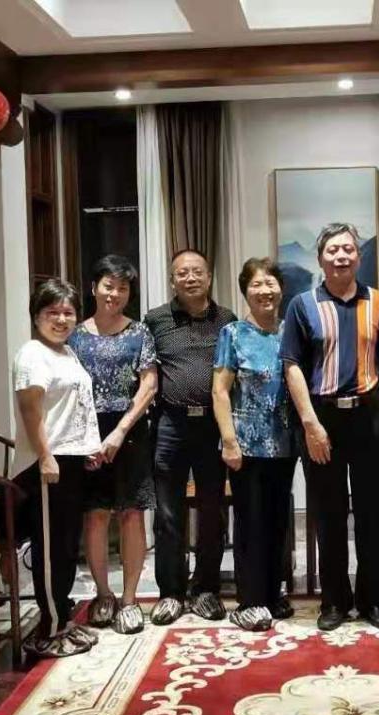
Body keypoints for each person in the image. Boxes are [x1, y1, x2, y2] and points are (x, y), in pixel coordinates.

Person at [280, 222, 379, 632]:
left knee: (373, 513)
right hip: (321, 418)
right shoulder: (302, 305)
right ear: (320, 258)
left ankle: (373, 600)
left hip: (369, 416)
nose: (341, 256)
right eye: (332, 250)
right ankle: (334, 601)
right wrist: (310, 424)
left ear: (358, 256)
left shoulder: (378, 302)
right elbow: (292, 365)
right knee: (328, 514)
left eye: (348, 249)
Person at [144, 249, 236, 625]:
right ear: (173, 281)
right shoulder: (155, 320)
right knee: (168, 513)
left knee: (213, 511)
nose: (191, 278)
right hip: (171, 424)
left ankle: (206, 589)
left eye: (198, 271)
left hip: (213, 425)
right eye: (182, 273)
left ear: (209, 277)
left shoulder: (227, 320)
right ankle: (171, 592)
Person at [69, 255, 158, 635]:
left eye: (122, 288)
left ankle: (130, 599)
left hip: (130, 431)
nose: (115, 294)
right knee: (96, 514)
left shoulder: (140, 333)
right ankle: (104, 595)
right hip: (86, 434)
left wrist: (120, 431)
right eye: (108, 285)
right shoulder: (74, 335)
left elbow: (149, 385)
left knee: (132, 513)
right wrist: (87, 437)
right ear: (94, 288)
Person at [12, 279, 101, 657]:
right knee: (50, 550)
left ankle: (62, 621)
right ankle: (47, 631)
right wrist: (45, 455)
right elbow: (30, 409)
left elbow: (76, 407)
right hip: (48, 462)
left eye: (68, 312)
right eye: (53, 312)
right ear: (37, 317)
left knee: (66, 546)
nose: (62, 319)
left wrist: (89, 447)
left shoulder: (66, 353)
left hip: (71, 459)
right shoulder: (32, 354)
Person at [212, 258, 296, 631]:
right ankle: (250, 600)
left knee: (278, 521)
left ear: (281, 289)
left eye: (270, 283)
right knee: (250, 522)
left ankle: (273, 594)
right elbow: (220, 391)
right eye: (256, 285)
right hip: (245, 446)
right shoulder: (232, 334)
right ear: (245, 291)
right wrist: (229, 441)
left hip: (285, 444)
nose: (265, 291)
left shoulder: (291, 331)